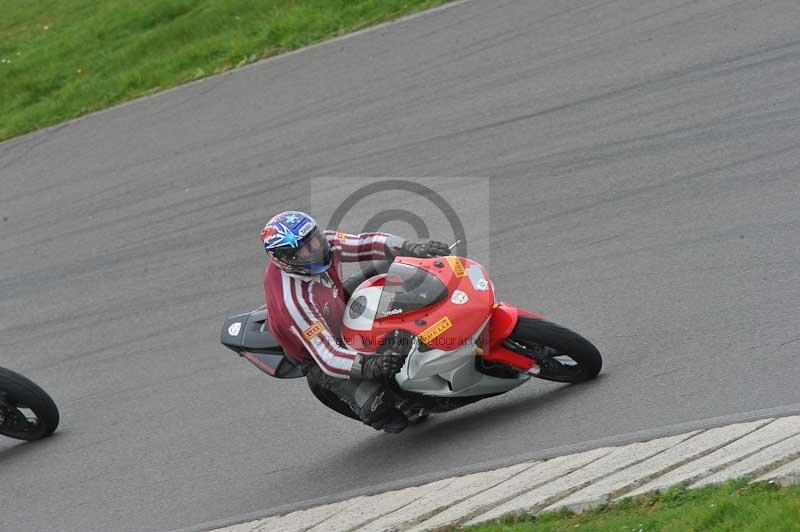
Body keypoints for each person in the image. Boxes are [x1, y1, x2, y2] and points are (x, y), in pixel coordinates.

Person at [261, 210, 450, 433]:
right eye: (306, 249)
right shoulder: (294, 302)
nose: (317, 249)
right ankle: (385, 408)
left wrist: (412, 248)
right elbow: (328, 356)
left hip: (335, 300)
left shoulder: (325, 242)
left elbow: (366, 243)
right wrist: (372, 366)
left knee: (395, 264)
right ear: (286, 259)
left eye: (315, 239)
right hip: (315, 351)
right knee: (381, 409)